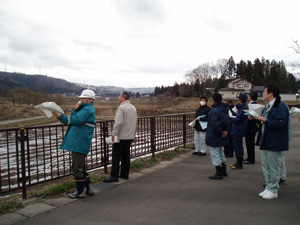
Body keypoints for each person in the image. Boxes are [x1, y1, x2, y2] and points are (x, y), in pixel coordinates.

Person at [52, 89, 96, 198]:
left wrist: (60, 117)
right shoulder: (86, 109)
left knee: (77, 169)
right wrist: (77, 108)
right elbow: (76, 117)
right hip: (80, 142)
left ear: (89, 99)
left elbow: (75, 120)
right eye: (80, 98)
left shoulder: (87, 110)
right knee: (81, 167)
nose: (80, 100)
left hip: (79, 142)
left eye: (83, 98)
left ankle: (79, 191)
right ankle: (89, 189)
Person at [256, 84, 289, 200]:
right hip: (266, 139)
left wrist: (265, 120)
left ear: (271, 93)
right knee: (266, 165)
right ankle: (269, 186)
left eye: (265, 92)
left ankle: (274, 189)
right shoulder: (268, 106)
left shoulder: (280, 106)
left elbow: (280, 123)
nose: (263, 94)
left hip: (275, 141)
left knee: (274, 166)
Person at [104, 92, 137, 183]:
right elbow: (134, 122)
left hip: (121, 136)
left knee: (116, 156)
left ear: (123, 97)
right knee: (126, 155)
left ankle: (114, 176)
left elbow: (118, 123)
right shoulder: (133, 108)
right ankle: (124, 174)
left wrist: (114, 134)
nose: (119, 98)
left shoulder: (121, 108)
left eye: (120, 96)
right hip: (130, 135)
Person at [205, 93, 230, 179]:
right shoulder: (224, 109)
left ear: (214, 100)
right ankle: (224, 170)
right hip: (222, 134)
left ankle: (218, 172)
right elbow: (227, 121)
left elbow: (215, 124)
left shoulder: (214, 111)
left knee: (215, 154)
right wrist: (225, 130)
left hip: (215, 135)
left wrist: (220, 132)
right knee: (221, 152)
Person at [229, 94, 248, 170]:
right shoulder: (243, 108)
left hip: (238, 130)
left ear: (240, 100)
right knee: (238, 146)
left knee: (238, 147)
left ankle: (239, 164)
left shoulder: (242, 109)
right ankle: (238, 162)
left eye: (238, 99)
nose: (237, 100)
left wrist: (230, 118)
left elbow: (237, 119)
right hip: (239, 129)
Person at [244, 91, 258, 164]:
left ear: (250, 97)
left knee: (249, 143)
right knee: (251, 143)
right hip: (254, 126)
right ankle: (250, 157)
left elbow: (250, 117)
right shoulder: (258, 105)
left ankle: (250, 158)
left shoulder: (250, 106)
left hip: (249, 126)